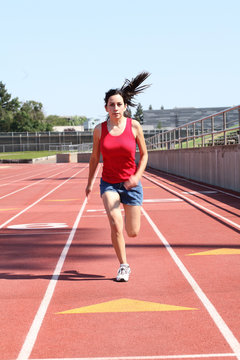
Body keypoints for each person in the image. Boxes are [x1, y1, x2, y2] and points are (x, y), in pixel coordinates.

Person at [85, 72, 151, 282]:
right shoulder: (99, 130)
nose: (115, 108)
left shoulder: (134, 126)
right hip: (109, 184)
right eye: (111, 105)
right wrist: (89, 183)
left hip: (132, 185)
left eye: (119, 104)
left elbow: (145, 154)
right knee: (115, 223)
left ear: (125, 107)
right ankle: (123, 265)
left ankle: (125, 250)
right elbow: (95, 158)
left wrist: (137, 177)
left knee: (132, 232)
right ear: (106, 108)